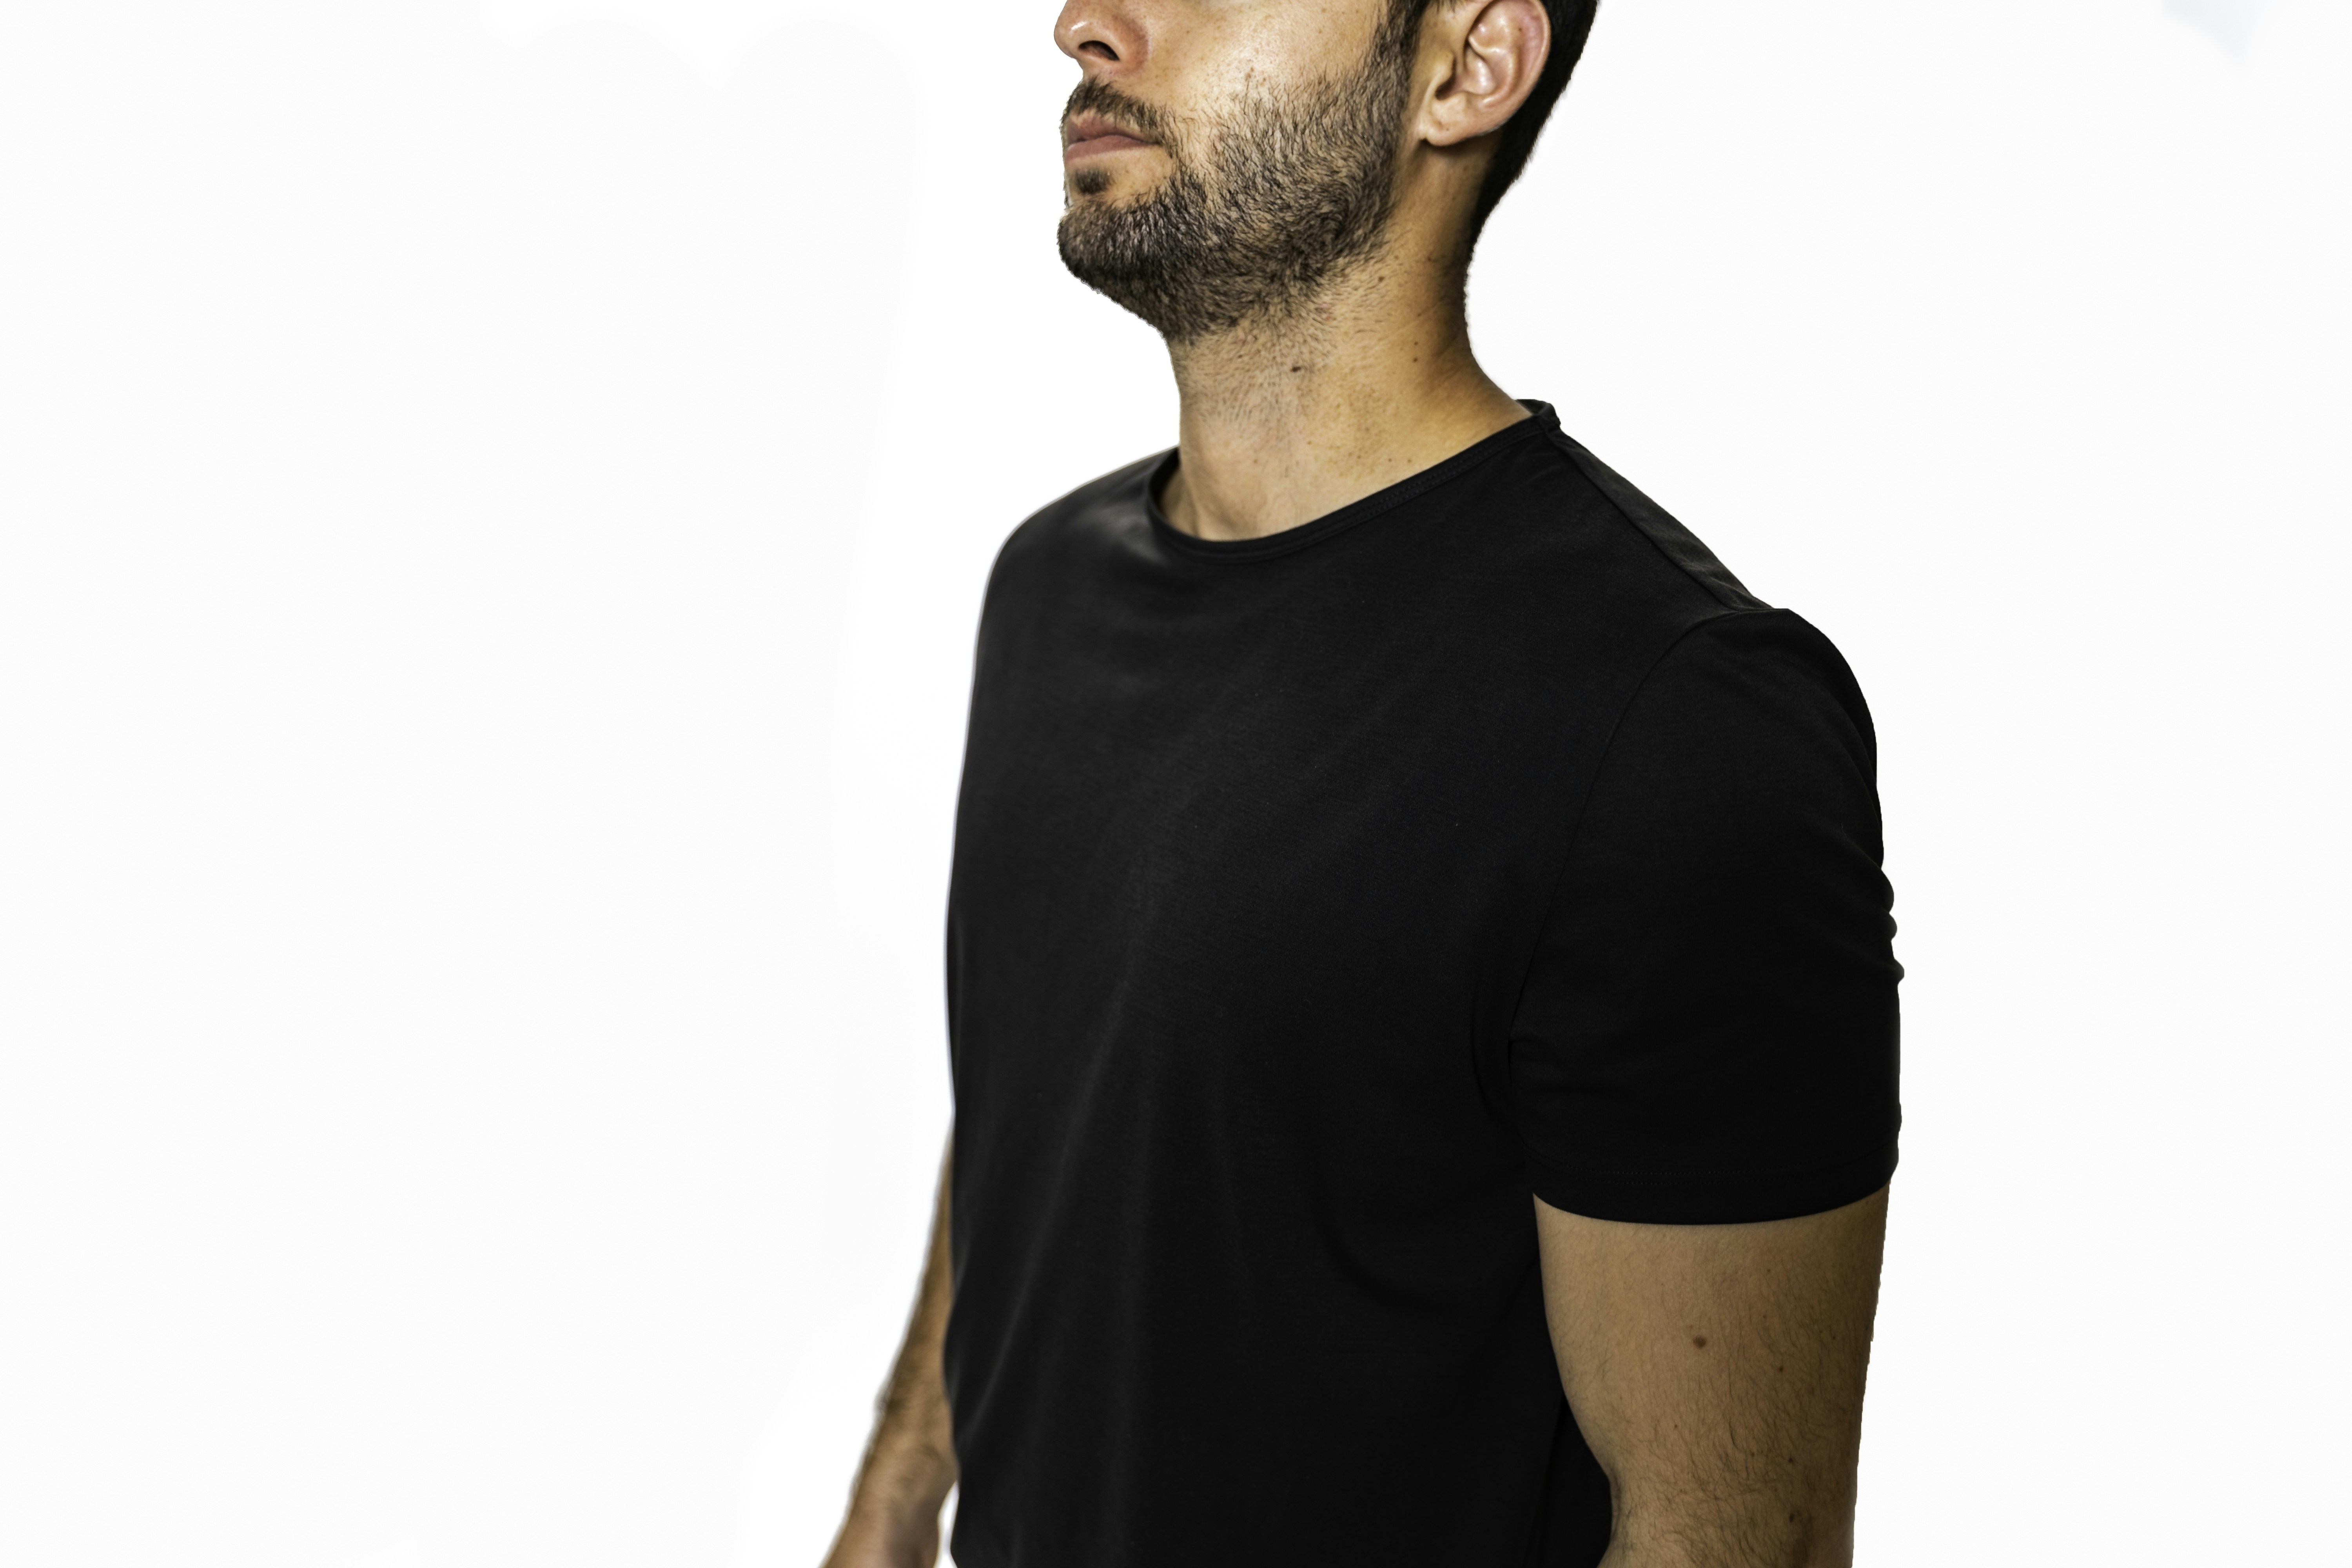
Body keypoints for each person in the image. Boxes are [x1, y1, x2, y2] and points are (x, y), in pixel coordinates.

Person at [822, 0, 1902, 1563]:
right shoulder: (1050, 586)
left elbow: (1731, 1541)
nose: (1087, 25)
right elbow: (1045, 1121)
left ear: (1467, 68)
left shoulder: (1679, 723)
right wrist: (889, 1503)